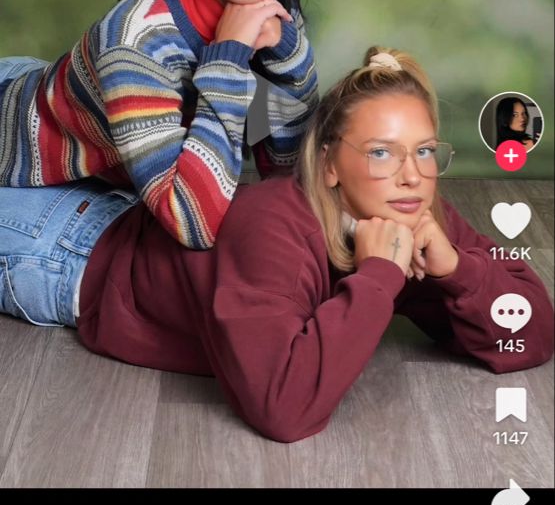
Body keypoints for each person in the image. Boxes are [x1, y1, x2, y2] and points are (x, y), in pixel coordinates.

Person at [1, 48, 552, 441]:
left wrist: (458, 270)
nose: (412, 175)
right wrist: (379, 278)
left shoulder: (412, 208)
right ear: (331, 165)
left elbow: (534, 332)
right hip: (65, 250)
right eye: (382, 153)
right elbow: (282, 409)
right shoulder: (274, 228)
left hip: (127, 205)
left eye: (426, 151)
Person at [0, 0, 318, 249]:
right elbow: (192, 223)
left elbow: (287, 173)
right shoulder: (138, 45)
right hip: (25, 146)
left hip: (107, 154)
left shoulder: (269, 12)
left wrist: (287, 52)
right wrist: (229, 54)